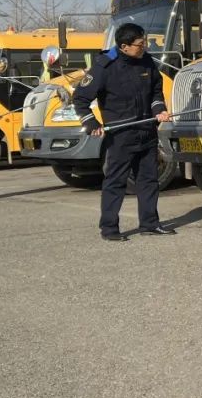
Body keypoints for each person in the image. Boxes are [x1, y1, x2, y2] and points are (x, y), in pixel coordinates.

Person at [73, 23, 176, 241]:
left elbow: (156, 91)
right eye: (140, 44)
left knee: (149, 180)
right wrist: (91, 123)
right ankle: (109, 229)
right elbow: (80, 98)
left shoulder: (147, 61)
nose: (144, 47)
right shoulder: (104, 66)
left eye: (144, 42)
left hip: (146, 130)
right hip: (121, 136)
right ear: (124, 46)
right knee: (115, 182)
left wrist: (159, 110)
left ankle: (150, 223)